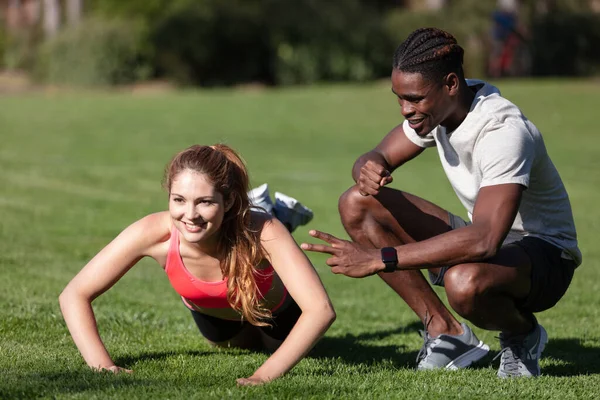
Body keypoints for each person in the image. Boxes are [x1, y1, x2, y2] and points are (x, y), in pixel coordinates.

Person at [301, 27, 581, 378]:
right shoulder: (441, 110)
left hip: (546, 256)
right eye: (399, 98)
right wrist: (367, 168)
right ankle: (446, 332)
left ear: (450, 84)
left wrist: (380, 258)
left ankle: (522, 334)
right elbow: (377, 155)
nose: (405, 109)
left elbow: (484, 239)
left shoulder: (502, 131)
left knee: (464, 284)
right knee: (357, 202)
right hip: (491, 241)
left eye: (414, 98)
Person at [59, 144, 336, 386]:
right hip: (216, 320)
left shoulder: (263, 231)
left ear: (227, 201)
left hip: (275, 313)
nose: (190, 215)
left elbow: (320, 311)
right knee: (239, 346)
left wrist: (262, 376)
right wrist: (103, 366)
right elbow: (74, 294)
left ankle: (278, 216)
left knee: (270, 346)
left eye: (204, 202)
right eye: (179, 200)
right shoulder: (154, 233)